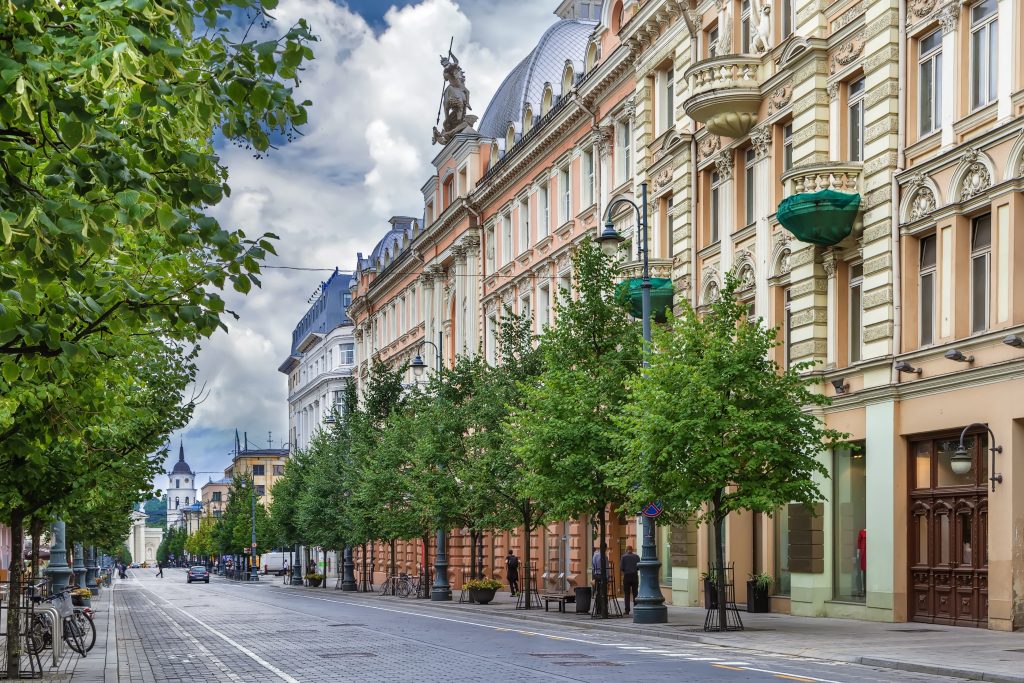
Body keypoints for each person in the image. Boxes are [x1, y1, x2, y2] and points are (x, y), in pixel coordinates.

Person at [620, 545, 640, 615]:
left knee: (627, 594)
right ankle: (636, 608)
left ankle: (627, 610)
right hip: (634, 576)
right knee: (635, 593)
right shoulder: (636, 557)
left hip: (627, 576)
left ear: (626, 550)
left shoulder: (623, 557)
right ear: (632, 549)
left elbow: (621, 568)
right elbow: (638, 567)